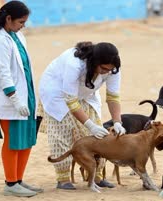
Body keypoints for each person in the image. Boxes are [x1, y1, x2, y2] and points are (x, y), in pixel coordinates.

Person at [39, 41, 126, 190]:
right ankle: (63, 179)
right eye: (103, 68)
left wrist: (117, 121)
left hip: (86, 93)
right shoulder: (74, 64)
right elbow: (71, 101)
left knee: (98, 137)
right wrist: (90, 126)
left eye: (109, 69)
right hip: (57, 93)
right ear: (94, 62)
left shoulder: (112, 69)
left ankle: (97, 176)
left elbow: (113, 97)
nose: (106, 72)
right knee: (63, 133)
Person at [0, 1, 43, 197]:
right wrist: (15, 100)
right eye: (21, 21)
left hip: (26, 94)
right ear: (8, 19)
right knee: (13, 140)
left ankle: (19, 179)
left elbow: (24, 68)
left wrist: (26, 99)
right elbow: (3, 73)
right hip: (9, 98)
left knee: (27, 139)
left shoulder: (17, 36)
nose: (23, 25)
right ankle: (11, 182)